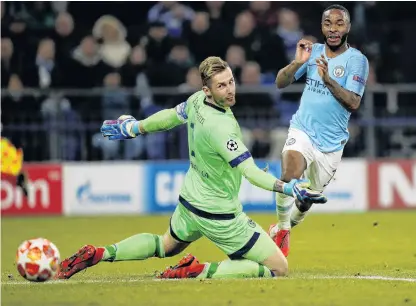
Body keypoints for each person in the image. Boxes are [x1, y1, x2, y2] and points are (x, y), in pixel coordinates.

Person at [56, 56, 327, 280]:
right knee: (278, 268)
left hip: (190, 201)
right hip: (221, 215)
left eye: (231, 81)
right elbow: (250, 171)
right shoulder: (222, 129)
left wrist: (134, 127)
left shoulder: (198, 101)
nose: (230, 89)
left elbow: (170, 117)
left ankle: (99, 253)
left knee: (165, 245)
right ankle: (198, 271)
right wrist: (287, 186)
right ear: (208, 89)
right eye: (222, 86)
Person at [269, 4, 369, 257]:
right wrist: (296, 62)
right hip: (303, 129)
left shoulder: (357, 60)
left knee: (305, 201)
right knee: (290, 173)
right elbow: (280, 83)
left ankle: (285, 227)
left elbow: (354, 102)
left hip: (332, 144)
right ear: (322, 27)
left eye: (339, 23)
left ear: (347, 27)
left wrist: (328, 80)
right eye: (328, 24)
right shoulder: (311, 52)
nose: (333, 29)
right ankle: (282, 230)